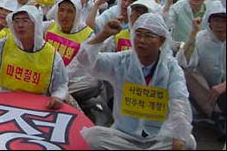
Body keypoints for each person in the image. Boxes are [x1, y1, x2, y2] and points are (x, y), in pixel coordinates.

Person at [77, 13, 196, 150]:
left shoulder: (171, 68)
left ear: (161, 41)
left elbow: (179, 102)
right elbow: (84, 60)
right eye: (138, 34)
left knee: (187, 141)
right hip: (123, 137)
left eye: (149, 36)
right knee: (92, 137)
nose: (141, 40)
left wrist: (178, 138)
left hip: (157, 140)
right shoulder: (121, 61)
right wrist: (103, 35)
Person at [0, 5, 69, 110]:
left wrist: (57, 97)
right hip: (5, 102)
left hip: (37, 107)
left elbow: (60, 85)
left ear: (36, 24)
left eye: (25, 21)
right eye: (16, 21)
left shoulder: (51, 55)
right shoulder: (4, 45)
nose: (20, 25)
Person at [176, 0, 226, 136]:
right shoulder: (201, 39)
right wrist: (193, 33)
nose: (220, 25)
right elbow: (182, 61)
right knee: (187, 72)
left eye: (224, 21)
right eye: (216, 20)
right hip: (206, 94)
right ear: (209, 22)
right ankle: (218, 117)